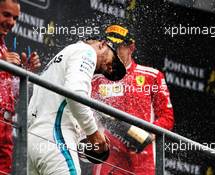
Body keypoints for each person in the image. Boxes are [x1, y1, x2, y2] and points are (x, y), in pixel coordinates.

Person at [27, 39, 126, 175]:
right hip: (55, 139)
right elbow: (75, 93)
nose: (110, 69)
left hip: (33, 142)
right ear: (103, 44)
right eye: (113, 61)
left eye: (109, 71)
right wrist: (93, 134)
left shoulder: (62, 59)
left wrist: (84, 141)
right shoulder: (86, 51)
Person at [91, 24, 175, 175]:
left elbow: (167, 118)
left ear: (131, 47)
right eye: (110, 46)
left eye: (119, 46)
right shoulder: (97, 80)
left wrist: (147, 135)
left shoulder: (152, 76)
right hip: (111, 155)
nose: (114, 51)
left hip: (143, 156)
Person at [0, 0, 41, 174]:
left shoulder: (3, 47)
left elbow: (9, 93)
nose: (11, 22)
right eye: (6, 14)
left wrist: (24, 74)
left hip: (5, 128)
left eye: (15, 18)